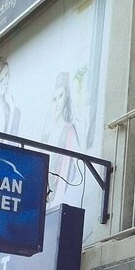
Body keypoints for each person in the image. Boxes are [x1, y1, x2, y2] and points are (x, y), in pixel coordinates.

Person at [44, 72, 80, 205]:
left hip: (59, 199)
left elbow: (76, 170)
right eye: (54, 98)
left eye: (61, 96)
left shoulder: (69, 130)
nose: (58, 102)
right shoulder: (46, 134)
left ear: (66, 99)